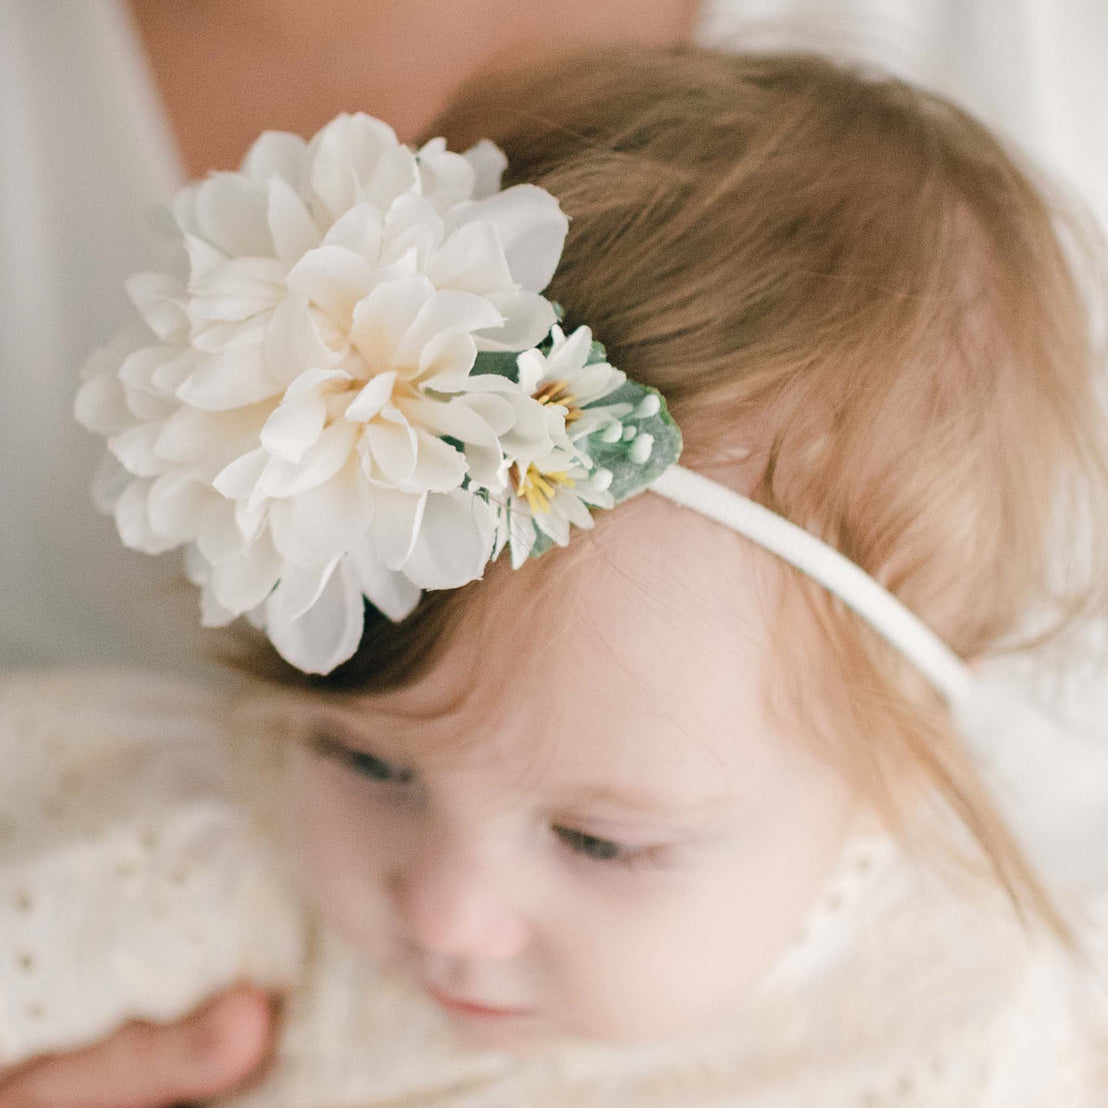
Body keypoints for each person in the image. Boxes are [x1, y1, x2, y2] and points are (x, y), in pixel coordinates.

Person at [3, 44, 1107, 1105]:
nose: (442, 913)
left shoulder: (971, 1034)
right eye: (369, 761)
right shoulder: (217, 847)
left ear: (898, 764)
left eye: (597, 841)